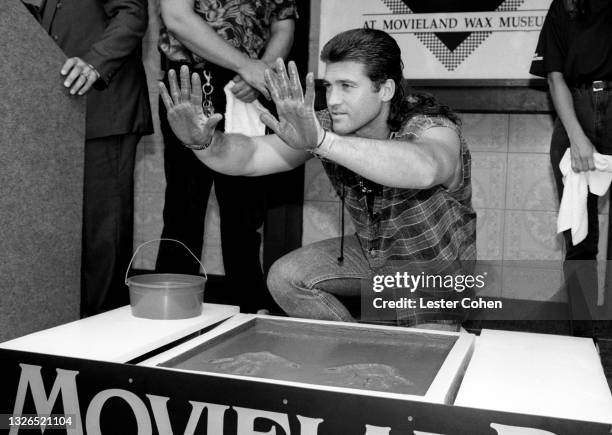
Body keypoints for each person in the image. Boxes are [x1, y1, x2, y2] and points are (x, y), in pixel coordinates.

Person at [160, 29, 476, 328]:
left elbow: (426, 168)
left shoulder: (431, 126)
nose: (334, 99)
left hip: (433, 273)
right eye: (329, 86)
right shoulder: (328, 125)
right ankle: (356, 348)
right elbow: (251, 156)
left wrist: (323, 142)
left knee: (427, 369)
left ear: (385, 89)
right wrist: (203, 143)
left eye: (347, 86)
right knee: (286, 278)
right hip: (371, 256)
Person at [156, 0, 297, 313]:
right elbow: (176, 16)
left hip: (251, 85)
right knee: (184, 205)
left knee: (245, 211)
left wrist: (260, 71)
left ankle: (249, 311)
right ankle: (169, 313)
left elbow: (284, 23)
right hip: (194, 76)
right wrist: (244, 65)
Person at [36, 0, 153, 316]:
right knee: (61, 238)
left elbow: (132, 13)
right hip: (54, 116)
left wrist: (93, 63)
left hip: (102, 112)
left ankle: (103, 340)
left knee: (103, 241)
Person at [531, 0, 612, 336]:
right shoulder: (565, 4)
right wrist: (578, 138)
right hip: (575, 112)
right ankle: (584, 334)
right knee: (580, 237)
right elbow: (554, 75)